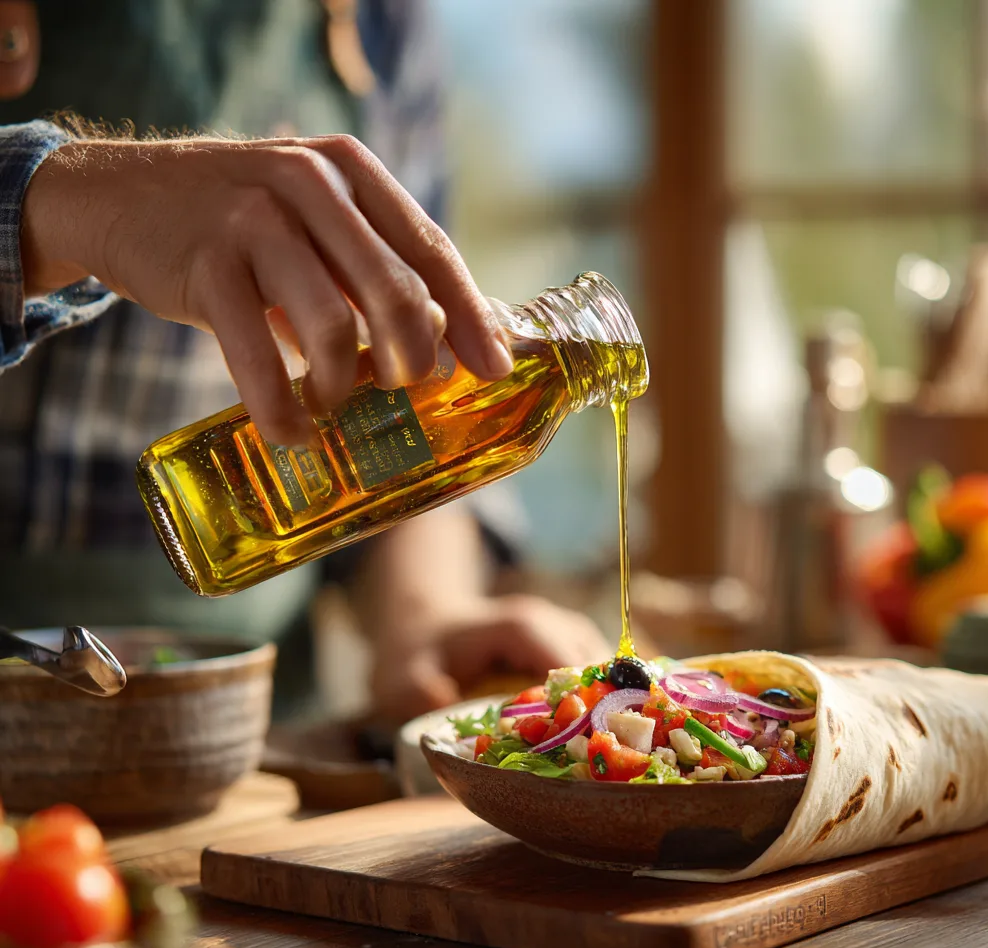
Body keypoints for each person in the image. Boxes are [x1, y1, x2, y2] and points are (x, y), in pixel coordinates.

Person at [0, 0, 609, 722]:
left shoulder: (385, 23)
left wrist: (426, 612)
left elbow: (408, 393)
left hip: (246, 735)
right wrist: (68, 200)